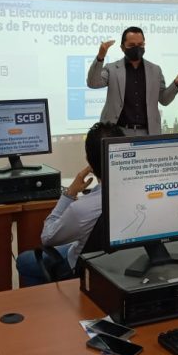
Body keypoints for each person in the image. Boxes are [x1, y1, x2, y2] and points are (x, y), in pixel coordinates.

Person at [15, 122, 124, 287]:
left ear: (89, 161)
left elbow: (47, 237)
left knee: (25, 261)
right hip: (125, 262)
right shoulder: (141, 194)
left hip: (86, 267)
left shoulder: (82, 209)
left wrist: (69, 194)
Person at [87, 26, 178, 135]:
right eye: (131, 45)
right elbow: (92, 83)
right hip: (117, 132)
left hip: (148, 133)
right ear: (122, 48)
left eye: (140, 44)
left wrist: (176, 83)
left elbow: (164, 100)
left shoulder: (155, 70)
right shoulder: (112, 69)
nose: (136, 48)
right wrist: (100, 56)